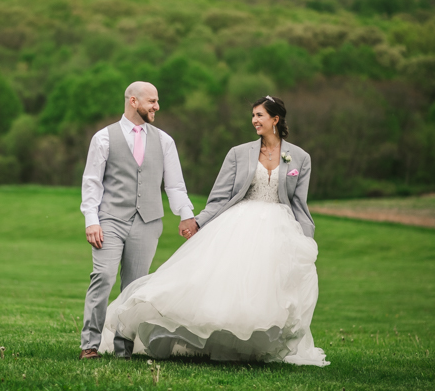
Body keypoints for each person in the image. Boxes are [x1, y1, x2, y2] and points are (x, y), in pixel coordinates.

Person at [99, 96, 329, 366]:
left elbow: (299, 203)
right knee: (216, 284)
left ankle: (251, 349)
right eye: (253, 115)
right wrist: (198, 220)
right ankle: (143, 325)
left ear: (275, 119)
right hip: (238, 224)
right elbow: (219, 197)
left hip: (279, 229)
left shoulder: (300, 157)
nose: (254, 120)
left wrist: (306, 237)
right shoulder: (238, 153)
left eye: (259, 115)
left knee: (265, 291)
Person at [79, 81, 198, 360]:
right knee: (103, 277)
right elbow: (92, 183)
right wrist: (91, 220)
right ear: (133, 101)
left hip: (148, 222)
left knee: (135, 287)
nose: (157, 106)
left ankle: (124, 349)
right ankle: (89, 345)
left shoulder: (165, 141)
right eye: (152, 101)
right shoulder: (104, 138)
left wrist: (186, 215)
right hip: (109, 219)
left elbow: (175, 185)